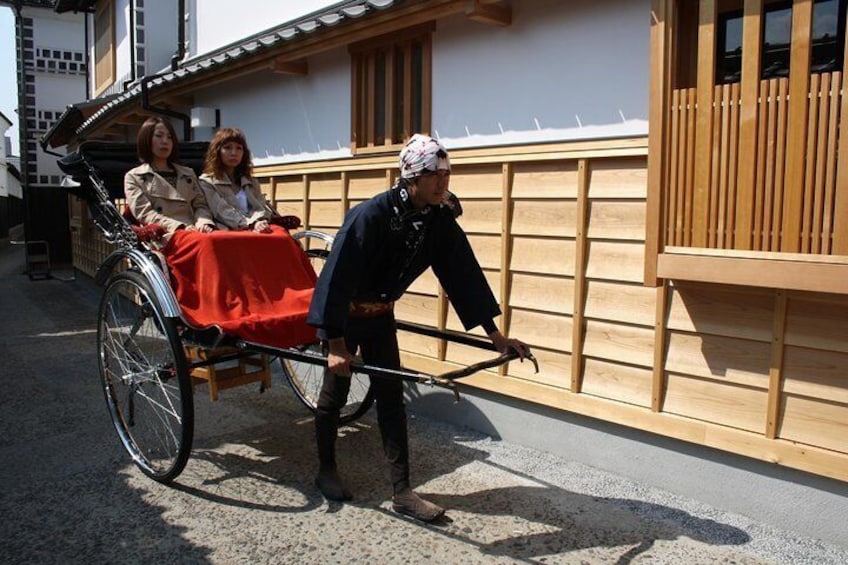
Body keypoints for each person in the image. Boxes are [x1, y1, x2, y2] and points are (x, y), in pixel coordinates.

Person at [307, 133, 530, 522]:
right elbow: (336, 278)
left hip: (380, 316)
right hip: (346, 316)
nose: (444, 182)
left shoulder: (435, 218)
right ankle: (326, 470)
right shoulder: (369, 216)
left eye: (446, 173)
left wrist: (496, 338)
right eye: (434, 175)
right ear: (411, 176)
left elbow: (463, 275)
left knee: (391, 399)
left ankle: (402, 492)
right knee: (334, 396)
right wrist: (336, 346)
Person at [124, 116, 215, 236]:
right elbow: (145, 214)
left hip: (196, 230)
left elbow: (200, 205)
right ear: (146, 139)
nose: (165, 141)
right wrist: (179, 227)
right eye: (159, 136)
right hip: (165, 235)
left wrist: (203, 222)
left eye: (169, 137)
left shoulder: (188, 173)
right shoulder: (134, 177)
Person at [198, 127, 273, 233]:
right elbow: (222, 211)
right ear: (217, 152)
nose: (234, 153)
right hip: (227, 230)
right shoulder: (207, 182)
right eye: (228, 148)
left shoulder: (251, 182)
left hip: (256, 227)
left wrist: (259, 221)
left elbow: (260, 207)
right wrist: (251, 224)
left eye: (239, 148)